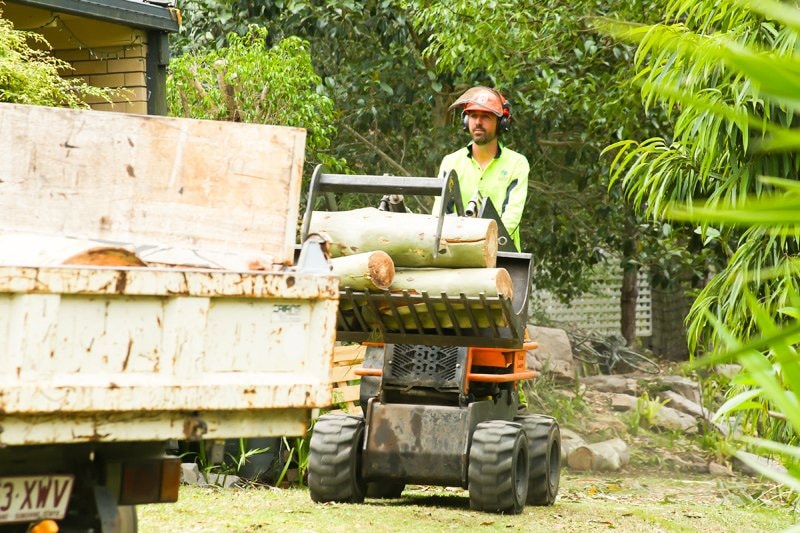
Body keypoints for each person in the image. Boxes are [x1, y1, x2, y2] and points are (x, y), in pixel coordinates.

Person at [435, 86, 530, 251]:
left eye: (485, 116)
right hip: (457, 254)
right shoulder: (450, 163)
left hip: (502, 254)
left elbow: (511, 218)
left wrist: (483, 245)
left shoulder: (517, 164)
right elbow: (440, 215)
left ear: (501, 123)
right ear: (466, 121)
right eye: (473, 116)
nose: (478, 122)